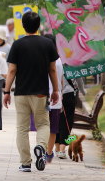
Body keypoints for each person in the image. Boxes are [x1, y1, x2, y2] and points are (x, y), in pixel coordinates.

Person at [3, 11, 59, 173]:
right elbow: (53, 70)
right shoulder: (47, 44)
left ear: (23, 25)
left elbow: (12, 70)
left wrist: (6, 91)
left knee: (22, 128)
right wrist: (55, 90)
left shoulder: (17, 44)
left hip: (21, 92)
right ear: (38, 25)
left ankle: (25, 163)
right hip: (40, 93)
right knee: (43, 124)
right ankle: (41, 148)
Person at [43, 34, 64, 163]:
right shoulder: (60, 61)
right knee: (53, 128)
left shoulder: (41, 60)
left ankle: (42, 149)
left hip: (42, 98)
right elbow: (61, 82)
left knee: (42, 126)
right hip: (56, 100)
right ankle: (49, 153)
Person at [55, 78, 77, 159]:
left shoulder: (53, 65)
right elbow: (79, 79)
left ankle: (57, 149)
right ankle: (62, 150)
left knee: (56, 121)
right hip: (69, 94)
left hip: (55, 93)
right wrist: (82, 91)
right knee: (67, 121)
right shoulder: (72, 65)